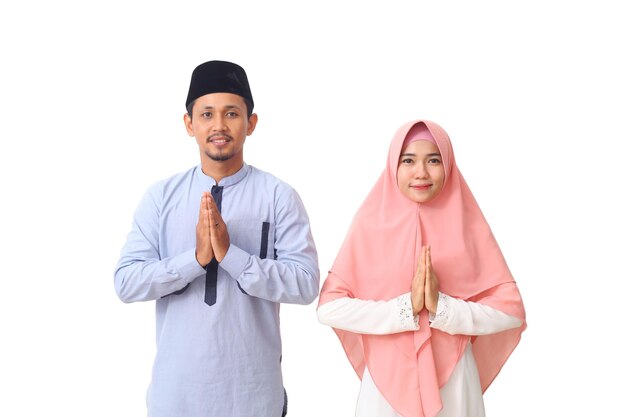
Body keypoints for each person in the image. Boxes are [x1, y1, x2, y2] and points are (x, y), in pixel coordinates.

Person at [114, 60, 320, 417]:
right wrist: (194, 261)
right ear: (189, 124)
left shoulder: (278, 196)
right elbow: (126, 282)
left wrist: (231, 256)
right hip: (175, 399)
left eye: (232, 114)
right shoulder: (161, 197)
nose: (219, 126)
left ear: (251, 123)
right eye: (207, 114)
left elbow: (305, 284)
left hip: (254, 399)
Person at [317, 120, 526, 417]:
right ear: (394, 166)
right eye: (409, 160)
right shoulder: (369, 225)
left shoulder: (469, 225)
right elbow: (328, 308)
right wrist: (405, 309)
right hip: (385, 387)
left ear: (448, 164)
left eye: (434, 160)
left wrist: (443, 308)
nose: (421, 173)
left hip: (454, 384)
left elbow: (512, 312)